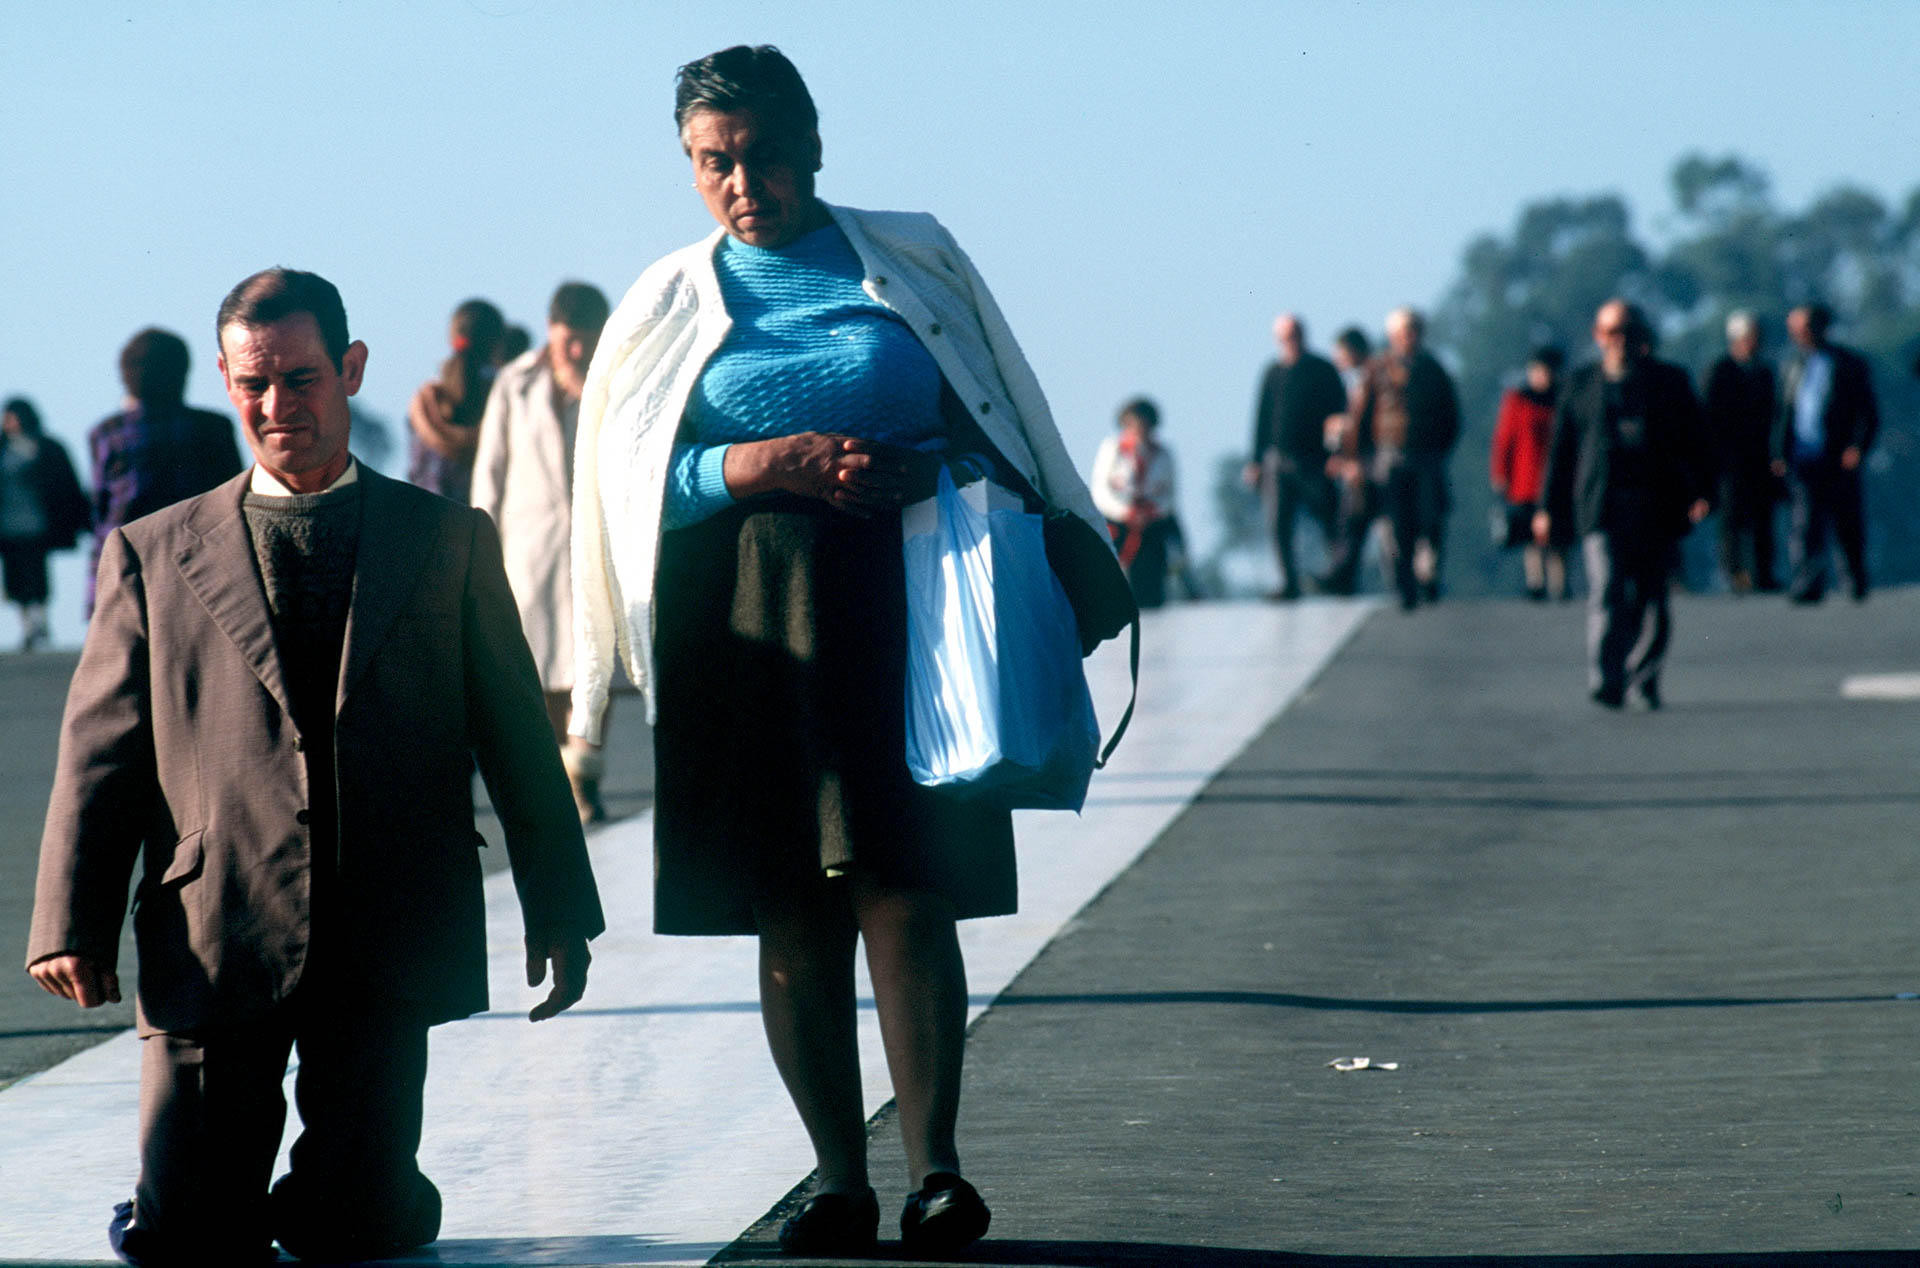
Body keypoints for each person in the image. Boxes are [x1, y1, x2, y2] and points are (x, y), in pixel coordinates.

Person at [569, 45, 1106, 1258]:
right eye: (715, 162)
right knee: (792, 909)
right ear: (689, 167)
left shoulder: (908, 256)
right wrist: (757, 465)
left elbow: (996, 417)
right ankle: (834, 1177)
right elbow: (627, 482)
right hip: (749, 623)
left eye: (761, 152)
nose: (742, 181)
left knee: (906, 892)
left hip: (903, 604)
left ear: (813, 142)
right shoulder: (661, 303)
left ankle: (937, 1173)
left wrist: (924, 468)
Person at [26, 268, 604, 1265]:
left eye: (300, 379)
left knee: (358, 1228)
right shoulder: (153, 555)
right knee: (192, 1236)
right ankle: (176, 1203)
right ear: (224, 378)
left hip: (383, 927)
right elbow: (101, 751)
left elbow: (514, 733)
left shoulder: (447, 540)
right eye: (252, 384)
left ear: (351, 369)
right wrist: (68, 924)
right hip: (217, 928)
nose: (275, 404)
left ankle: (361, 1184)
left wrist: (559, 907)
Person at [471, 281, 613, 822]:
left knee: (592, 671)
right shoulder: (515, 382)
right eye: (567, 340)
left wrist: (587, 390)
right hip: (531, 548)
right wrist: (483, 550)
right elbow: (491, 471)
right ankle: (567, 775)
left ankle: (586, 780)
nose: (575, 352)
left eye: (586, 340)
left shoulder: (614, 381)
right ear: (551, 330)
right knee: (545, 673)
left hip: (596, 550)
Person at [1538, 299, 1712, 710]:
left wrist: (1704, 490)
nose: (1621, 342)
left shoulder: (1670, 382)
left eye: (1629, 333)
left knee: (1653, 597)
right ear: (1599, 337)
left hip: (1657, 506)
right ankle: (1606, 676)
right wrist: (1547, 508)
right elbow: (1560, 453)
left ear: (1643, 338)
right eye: (1613, 333)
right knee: (1607, 589)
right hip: (1601, 506)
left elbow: (1699, 441)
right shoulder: (1580, 386)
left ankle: (1644, 677)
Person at [87, 327, 244, 613]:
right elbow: (236, 498)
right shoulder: (214, 427)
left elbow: (100, 508)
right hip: (201, 554)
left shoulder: (108, 433)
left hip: (126, 557)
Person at [1342, 307, 1461, 609]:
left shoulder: (1434, 369)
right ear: (1394, 336)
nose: (1410, 337)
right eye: (1404, 331)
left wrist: (1442, 449)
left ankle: (1428, 576)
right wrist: (1355, 459)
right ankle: (1402, 582)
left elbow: (1451, 414)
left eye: (1414, 331)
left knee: (1430, 518)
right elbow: (1360, 418)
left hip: (1427, 457)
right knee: (1395, 524)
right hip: (1389, 457)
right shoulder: (1378, 369)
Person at [1772, 302, 1879, 603]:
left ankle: (1854, 580)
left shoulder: (1849, 364)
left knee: (1847, 521)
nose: (1798, 335)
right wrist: (1778, 453)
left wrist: (1857, 447)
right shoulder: (1792, 365)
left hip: (1838, 457)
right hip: (1804, 458)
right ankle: (1808, 583)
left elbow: (1867, 413)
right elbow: (1783, 414)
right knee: (1805, 523)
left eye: (1803, 328)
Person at [1244, 314, 1347, 599]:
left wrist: (1337, 454)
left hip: (1315, 459)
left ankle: (1339, 575)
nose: (1291, 340)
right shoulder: (1272, 372)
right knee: (1279, 523)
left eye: (1295, 334)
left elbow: (1339, 412)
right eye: (1286, 335)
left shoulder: (1322, 369)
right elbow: (1262, 417)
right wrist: (1255, 460)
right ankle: (1289, 582)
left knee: (1328, 516)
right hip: (1277, 459)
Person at [0, 398, 91, 650]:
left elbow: (67, 486)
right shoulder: (3, 449)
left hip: (38, 522)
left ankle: (39, 623)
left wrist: (79, 520)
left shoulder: (46, 448)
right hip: (7, 525)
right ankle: (27, 626)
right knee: (15, 578)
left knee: (37, 575)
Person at [1704, 311, 1780, 593]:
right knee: (1732, 517)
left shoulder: (1764, 371)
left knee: (1762, 518)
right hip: (1729, 460)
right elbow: (1709, 417)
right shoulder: (1719, 370)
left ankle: (1762, 572)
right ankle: (1734, 572)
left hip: (1759, 457)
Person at [407, 298, 507, 504]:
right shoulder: (504, 397)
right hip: (481, 526)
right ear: (498, 344)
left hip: (424, 524)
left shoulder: (424, 403)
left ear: (452, 336)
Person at [1489, 346, 1568, 600]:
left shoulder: (1564, 399)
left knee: (1558, 534)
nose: (1541, 376)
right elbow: (1504, 440)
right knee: (1530, 535)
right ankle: (1535, 581)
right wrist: (1500, 473)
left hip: (1557, 477)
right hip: (1525, 478)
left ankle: (1560, 582)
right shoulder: (1518, 399)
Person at [1091, 396, 1180, 608]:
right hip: (1118, 524)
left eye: (1144, 424)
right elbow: (1100, 490)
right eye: (1133, 423)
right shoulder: (1113, 449)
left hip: (1151, 525)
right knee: (1115, 583)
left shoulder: (1163, 454)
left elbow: (1170, 495)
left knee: (1151, 585)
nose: (1139, 429)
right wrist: (1126, 512)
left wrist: (1150, 512)